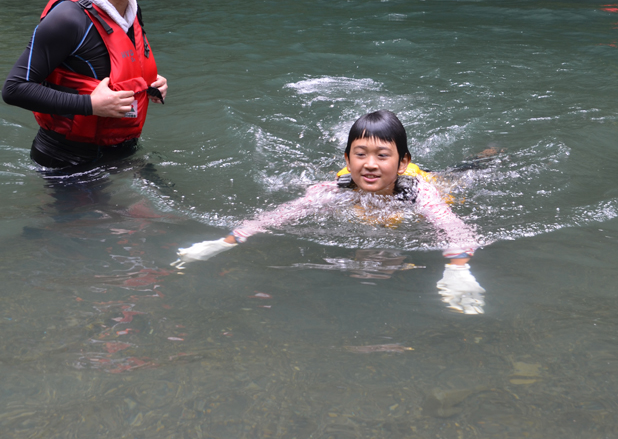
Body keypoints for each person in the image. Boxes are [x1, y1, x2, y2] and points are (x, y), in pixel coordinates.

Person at [174, 110, 486, 314]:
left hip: (431, 180)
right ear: (348, 161)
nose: (370, 164)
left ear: (402, 162)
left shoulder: (419, 191)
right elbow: (281, 214)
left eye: (382, 155)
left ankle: (484, 156)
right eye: (360, 154)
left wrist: (458, 270)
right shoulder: (336, 189)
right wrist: (226, 241)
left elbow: (454, 228)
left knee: (463, 176)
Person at [2, 0, 176, 170]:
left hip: (122, 150)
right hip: (67, 162)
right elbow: (14, 89)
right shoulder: (68, 18)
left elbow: (116, 61)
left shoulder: (130, 7)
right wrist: (90, 105)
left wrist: (150, 83)